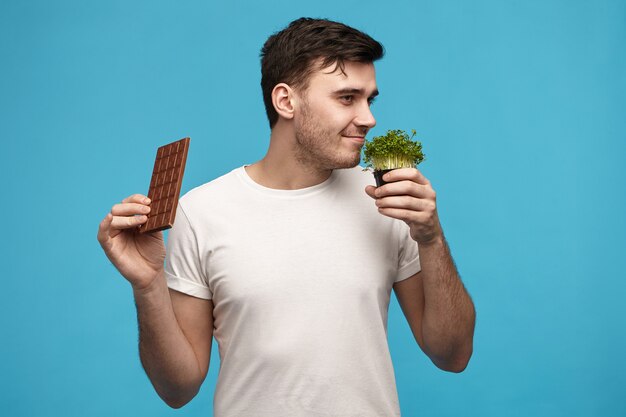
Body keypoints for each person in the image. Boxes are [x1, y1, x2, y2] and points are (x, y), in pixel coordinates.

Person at [97, 17, 475, 417]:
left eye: (370, 99)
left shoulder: (385, 200)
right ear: (286, 101)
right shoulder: (202, 211)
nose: (369, 118)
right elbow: (178, 389)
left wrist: (430, 237)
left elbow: (453, 355)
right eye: (347, 98)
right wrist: (148, 284)